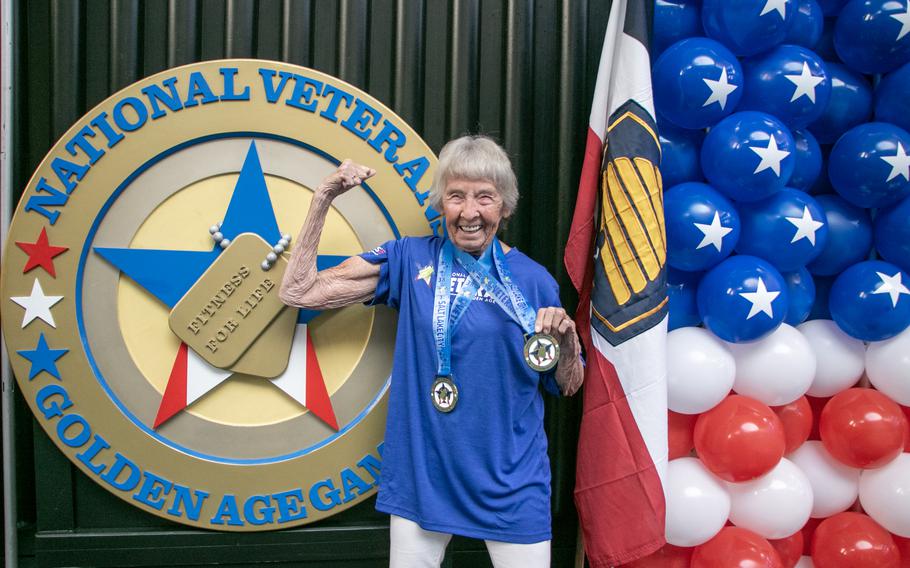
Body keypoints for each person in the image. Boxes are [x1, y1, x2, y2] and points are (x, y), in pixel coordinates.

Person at [279, 135, 583, 568]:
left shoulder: (534, 281)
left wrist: (568, 344)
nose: (470, 212)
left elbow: (569, 384)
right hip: (426, 476)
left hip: (512, 483)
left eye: (485, 197)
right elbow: (299, 291)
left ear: (505, 208)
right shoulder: (409, 259)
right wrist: (324, 197)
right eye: (456, 196)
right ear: (441, 203)